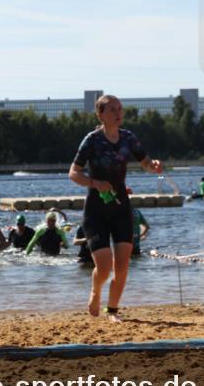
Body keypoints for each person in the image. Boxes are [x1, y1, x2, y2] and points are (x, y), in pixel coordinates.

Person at [68, 95, 164, 322]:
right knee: (104, 266)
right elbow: (73, 173)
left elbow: (145, 162)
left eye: (119, 109)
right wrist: (94, 182)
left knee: (122, 267)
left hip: (121, 207)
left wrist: (154, 166)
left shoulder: (128, 138)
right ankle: (95, 291)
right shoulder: (91, 140)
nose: (118, 113)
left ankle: (112, 311)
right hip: (96, 210)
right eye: (112, 110)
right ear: (100, 114)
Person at [126, 190, 150, 256]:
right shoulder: (137, 211)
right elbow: (147, 227)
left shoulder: (121, 212)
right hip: (136, 247)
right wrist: (139, 236)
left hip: (125, 247)